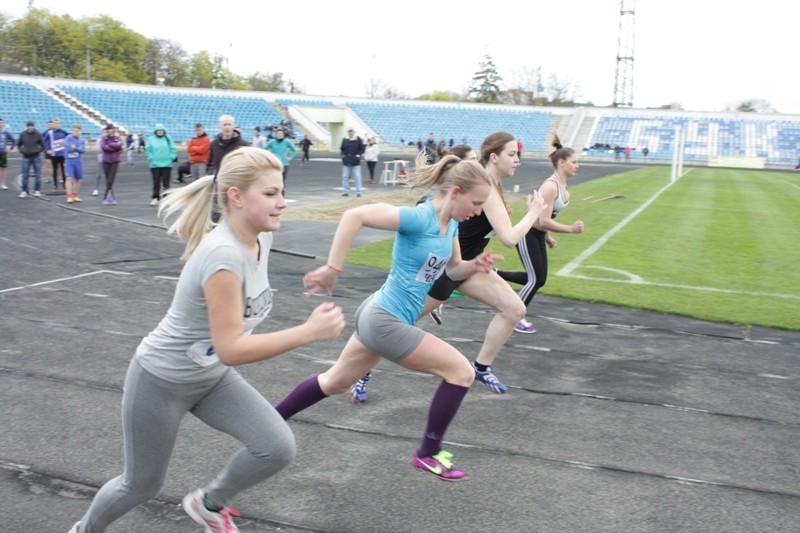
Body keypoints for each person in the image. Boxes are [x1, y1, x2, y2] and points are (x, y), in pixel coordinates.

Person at [67, 147, 345, 533]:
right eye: (270, 194)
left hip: (211, 376)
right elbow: (232, 347)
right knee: (142, 484)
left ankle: (208, 503)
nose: (282, 203)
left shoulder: (259, 239)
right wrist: (308, 333)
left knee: (276, 448)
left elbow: (224, 349)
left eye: (281, 192)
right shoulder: (223, 256)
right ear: (235, 196)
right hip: (161, 380)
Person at [275, 153, 501, 481]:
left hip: (382, 315)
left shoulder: (450, 223)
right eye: (476, 202)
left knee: (335, 381)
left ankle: (271, 419)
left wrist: (474, 265)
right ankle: (427, 453)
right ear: (455, 193)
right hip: (385, 319)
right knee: (461, 373)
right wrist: (333, 268)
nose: (479, 211)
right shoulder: (419, 217)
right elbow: (354, 215)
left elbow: (452, 268)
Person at [350, 133, 546, 402]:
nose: (517, 160)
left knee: (514, 309)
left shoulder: (492, 188)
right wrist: (534, 212)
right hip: (445, 268)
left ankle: (481, 367)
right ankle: (360, 373)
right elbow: (509, 239)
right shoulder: (483, 188)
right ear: (494, 157)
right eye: (512, 154)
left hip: (468, 266)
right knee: (395, 323)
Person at [496, 134, 585, 334]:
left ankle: (494, 274)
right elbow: (542, 219)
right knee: (535, 279)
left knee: (539, 278)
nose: (577, 165)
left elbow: (544, 217)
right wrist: (570, 229)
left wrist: (546, 236)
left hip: (537, 235)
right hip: (527, 235)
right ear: (562, 163)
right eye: (574, 162)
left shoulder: (562, 186)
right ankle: (514, 316)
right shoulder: (551, 186)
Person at [145, 124, 178, 206]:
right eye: (158, 131)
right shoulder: (151, 139)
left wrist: (171, 157)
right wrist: (151, 158)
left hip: (167, 164)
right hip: (155, 165)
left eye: (161, 131)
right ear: (155, 131)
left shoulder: (168, 138)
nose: (160, 132)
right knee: (156, 182)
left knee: (166, 183)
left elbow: (173, 148)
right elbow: (148, 150)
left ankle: (166, 198)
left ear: (164, 131)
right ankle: (155, 197)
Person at [16, 121, 44, 198]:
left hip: (36, 157)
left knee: (37, 174)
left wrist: (38, 150)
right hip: (26, 156)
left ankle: (37, 191)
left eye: (31, 126)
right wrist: (22, 151)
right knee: (25, 175)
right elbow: (18, 144)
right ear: (27, 127)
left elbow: (43, 145)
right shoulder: (23, 134)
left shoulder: (38, 134)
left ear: (34, 126)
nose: (30, 127)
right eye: (29, 126)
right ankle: (24, 191)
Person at [99, 123, 123, 205]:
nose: (110, 130)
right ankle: (110, 197)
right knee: (108, 180)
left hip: (115, 161)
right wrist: (114, 147)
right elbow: (104, 147)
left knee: (110, 180)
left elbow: (119, 145)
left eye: (111, 129)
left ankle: (106, 197)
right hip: (106, 161)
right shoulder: (103, 138)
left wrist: (111, 145)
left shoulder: (117, 138)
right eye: (108, 129)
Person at [64, 123, 87, 203]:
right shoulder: (68, 138)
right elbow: (68, 148)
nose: (76, 132)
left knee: (78, 178)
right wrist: (77, 148)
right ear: (72, 131)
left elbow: (83, 150)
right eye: (75, 131)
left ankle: (75, 195)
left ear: (80, 131)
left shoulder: (82, 140)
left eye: (78, 131)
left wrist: (75, 148)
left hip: (78, 160)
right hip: (69, 161)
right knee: (69, 178)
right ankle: (69, 195)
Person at [44, 117, 68, 191]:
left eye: (58, 123)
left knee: (63, 170)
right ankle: (55, 185)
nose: (56, 125)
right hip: (54, 154)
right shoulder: (49, 133)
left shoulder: (64, 132)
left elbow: (68, 140)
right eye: (55, 123)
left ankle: (65, 185)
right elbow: (45, 142)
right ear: (53, 124)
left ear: (60, 124)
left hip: (62, 154)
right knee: (54, 170)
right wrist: (48, 149)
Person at [340, 128, 364, 197]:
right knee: (345, 177)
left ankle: (359, 191)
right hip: (346, 161)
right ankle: (345, 191)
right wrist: (343, 155)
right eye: (349, 132)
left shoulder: (358, 139)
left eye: (351, 132)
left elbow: (361, 148)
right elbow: (342, 148)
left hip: (355, 161)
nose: (350, 133)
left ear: (354, 132)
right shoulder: (345, 139)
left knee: (357, 177)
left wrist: (358, 155)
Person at [0, 118, 16, 190]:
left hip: (3, 153)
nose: (0, 124)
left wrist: (10, 148)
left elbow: (14, 140)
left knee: (3, 168)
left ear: (3, 124)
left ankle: (2, 183)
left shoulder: (6, 133)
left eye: (1, 123)